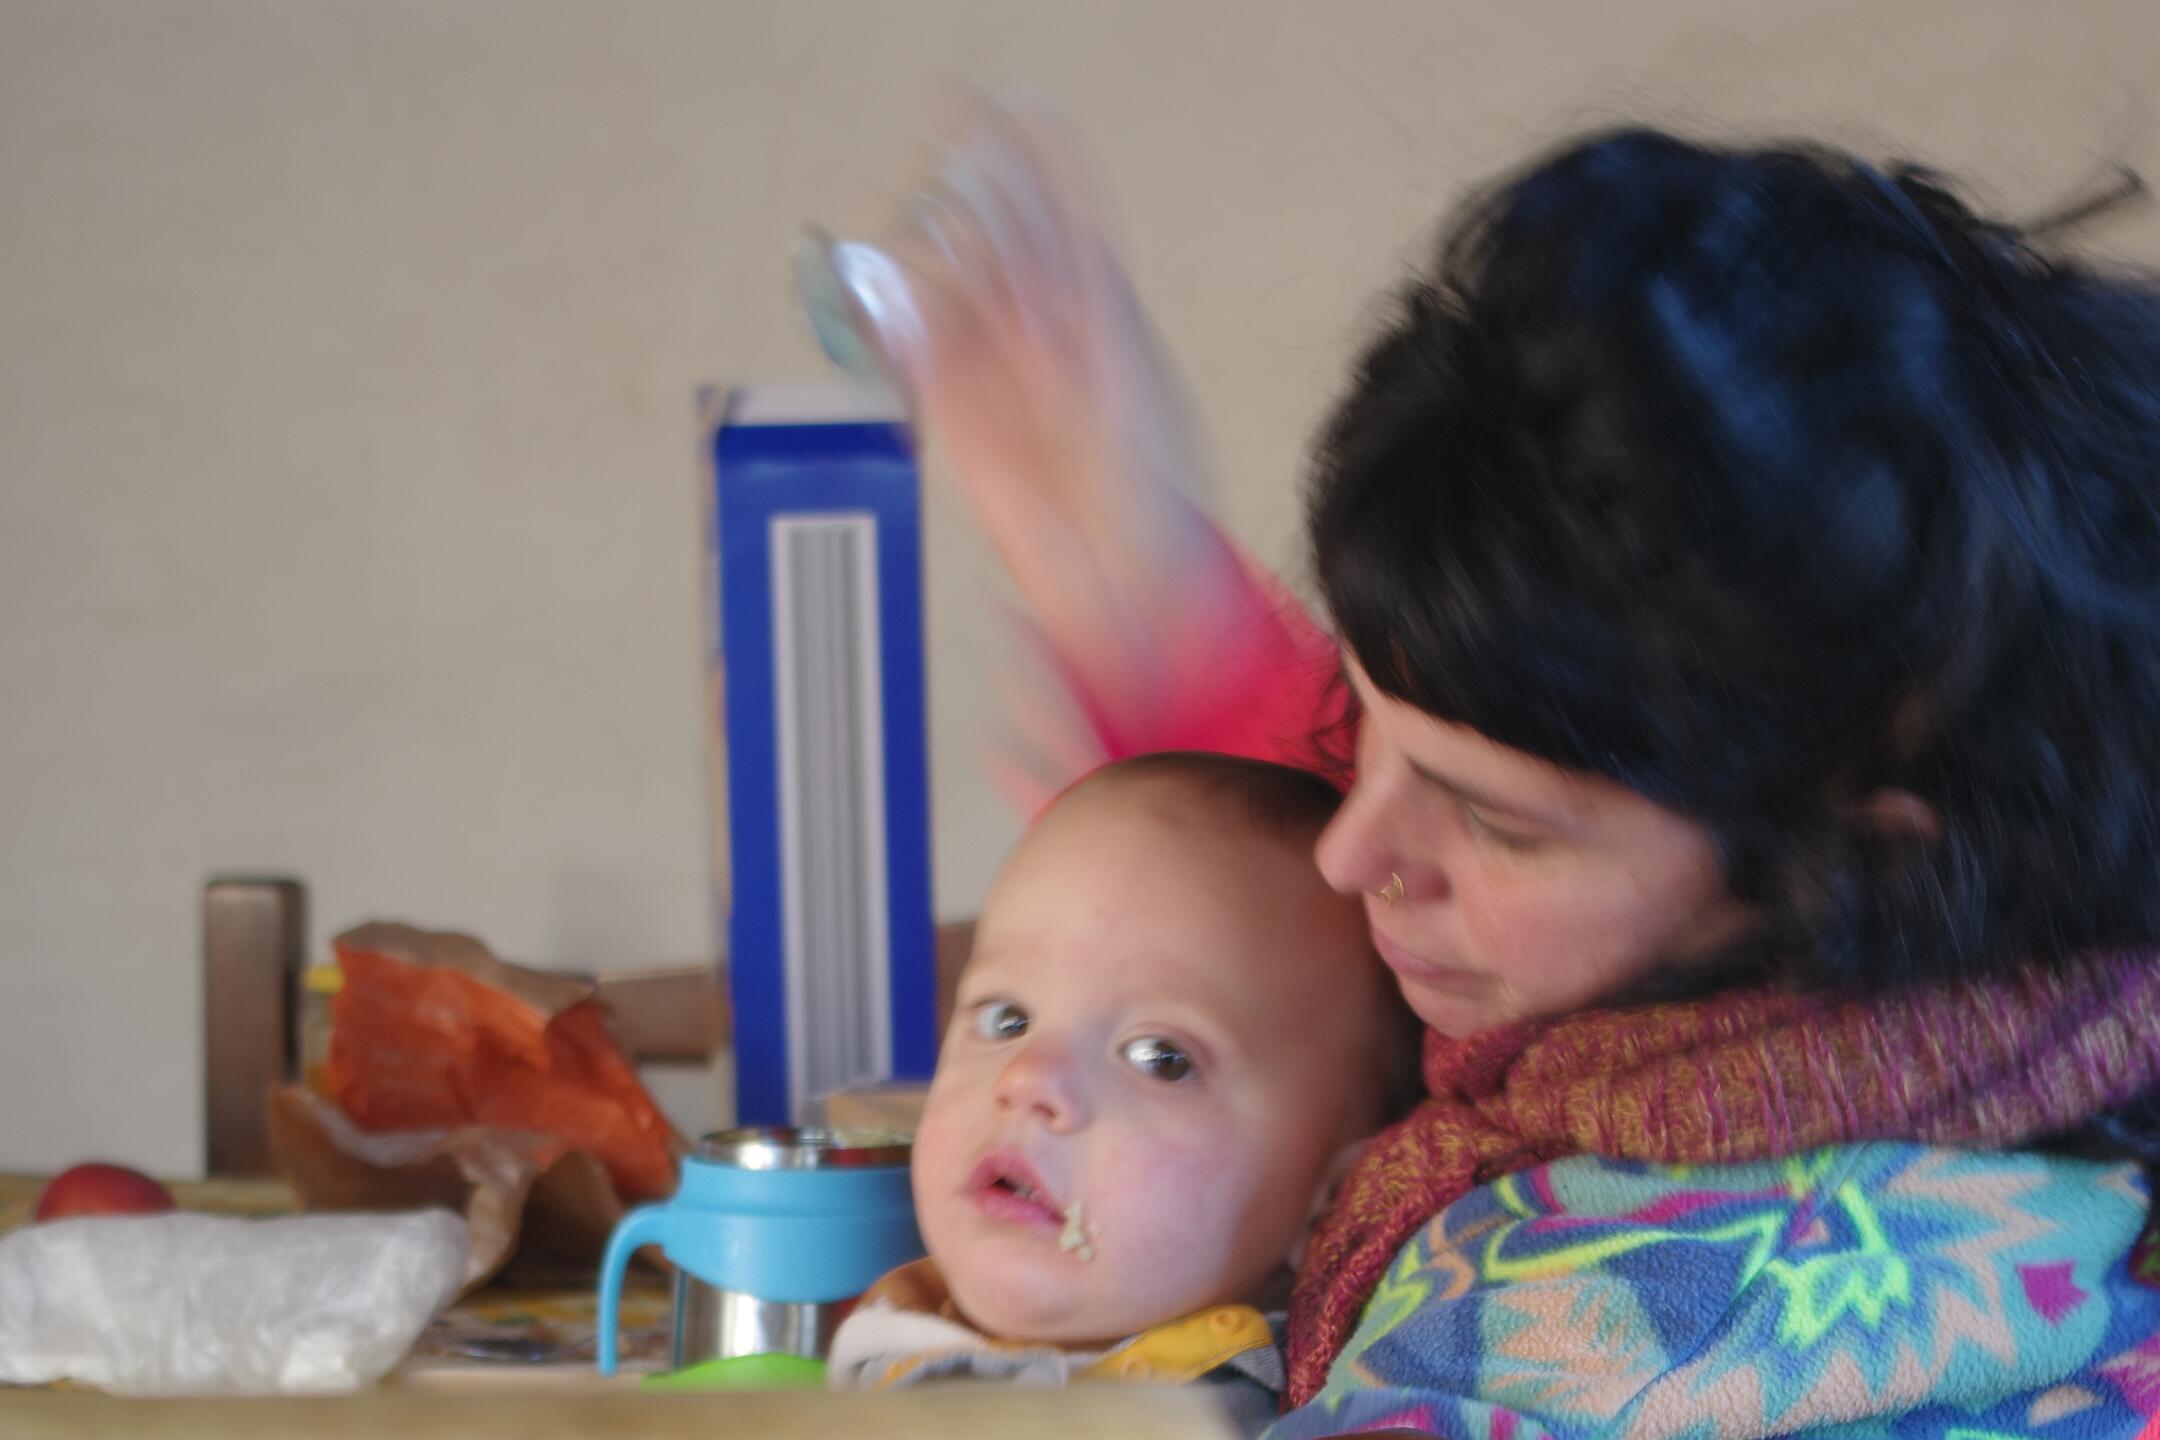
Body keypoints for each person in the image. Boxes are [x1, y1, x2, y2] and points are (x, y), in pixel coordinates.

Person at [819, 106, 2160, 1437]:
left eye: (1493, 822)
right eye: (1362, 720)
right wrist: (1127, 565)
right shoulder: (1770, 980)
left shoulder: (1661, 1321)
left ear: (1856, 850)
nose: (1351, 851)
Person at [826, 752, 1412, 1436]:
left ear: (1332, 1206)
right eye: (1006, 1019)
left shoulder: (1246, 1415)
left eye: (1159, 1059)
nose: (1028, 1078)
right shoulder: (892, 1326)